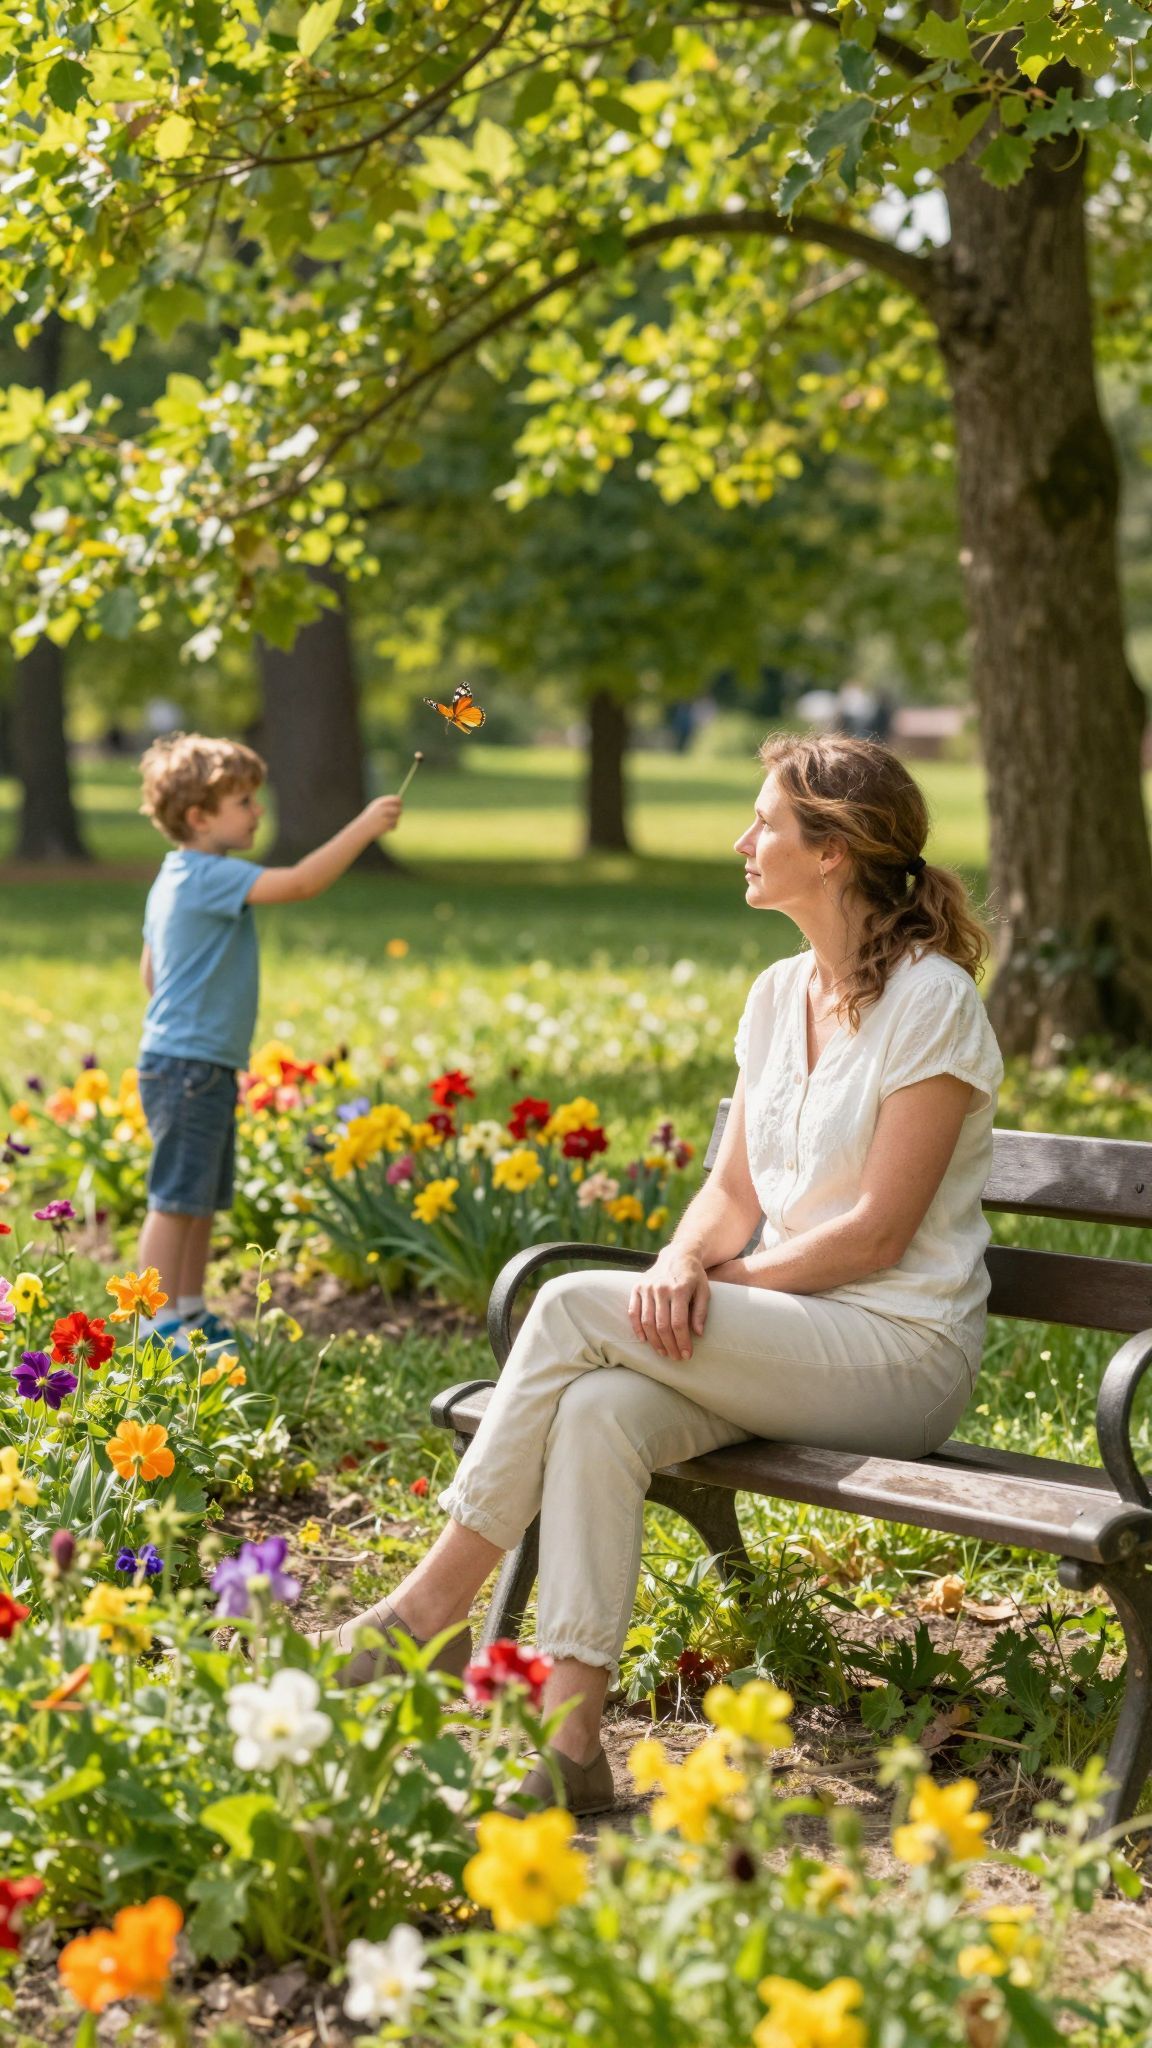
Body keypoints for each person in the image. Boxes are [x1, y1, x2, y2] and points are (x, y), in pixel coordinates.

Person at [314, 732, 1003, 1816]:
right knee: (599, 1406)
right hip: (784, 1335)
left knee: (572, 1302)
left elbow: (875, 1234)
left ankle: (434, 1603)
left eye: (764, 821)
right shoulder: (780, 994)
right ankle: (570, 1741)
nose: (743, 840)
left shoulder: (933, 1003)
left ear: (834, 853)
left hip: (896, 1349)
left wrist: (723, 1293)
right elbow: (729, 1194)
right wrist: (686, 1256)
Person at [135, 733, 403, 1348]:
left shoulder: (171, 877)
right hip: (188, 1066)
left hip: (192, 1061)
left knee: (198, 1198)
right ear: (200, 817)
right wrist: (363, 827)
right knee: (175, 1200)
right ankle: (151, 1324)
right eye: (245, 802)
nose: (258, 811)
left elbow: (150, 973)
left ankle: (188, 1309)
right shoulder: (208, 875)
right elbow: (304, 882)